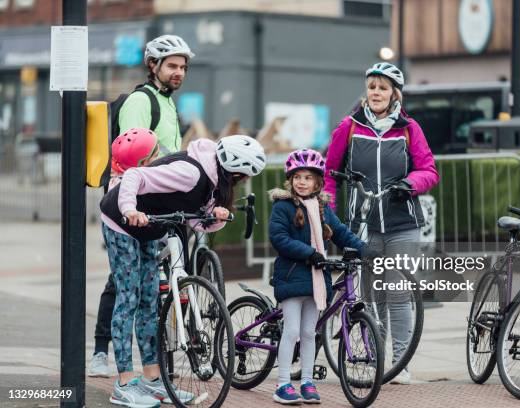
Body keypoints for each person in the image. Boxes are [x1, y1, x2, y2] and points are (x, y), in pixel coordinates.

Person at [99, 135, 265, 407]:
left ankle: (152, 379)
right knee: (129, 299)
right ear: (235, 171)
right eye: (243, 177)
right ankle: (124, 383)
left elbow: (197, 220)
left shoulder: (212, 179)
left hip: (150, 227)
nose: (241, 182)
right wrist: (129, 209)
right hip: (121, 222)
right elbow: (134, 177)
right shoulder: (190, 173)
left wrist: (217, 218)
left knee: (149, 302)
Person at [324, 62, 439, 384]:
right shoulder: (348, 127)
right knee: (373, 298)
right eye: (372, 87)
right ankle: (375, 361)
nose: (376, 93)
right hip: (363, 226)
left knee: (398, 295)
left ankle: (400, 364)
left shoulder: (408, 128)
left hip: (404, 224)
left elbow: (429, 170)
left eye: (383, 88)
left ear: (394, 94)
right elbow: (330, 175)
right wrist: (330, 215)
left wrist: (410, 184)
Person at [88, 34, 193, 378]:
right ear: (153, 66)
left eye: (183, 67)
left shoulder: (168, 102)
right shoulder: (141, 100)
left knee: (144, 292)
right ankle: (104, 355)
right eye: (172, 66)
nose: (179, 72)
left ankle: (150, 372)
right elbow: (134, 155)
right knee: (123, 286)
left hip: (157, 206)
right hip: (131, 205)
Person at [268, 148, 364, 404]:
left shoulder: (322, 208)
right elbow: (279, 238)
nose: (302, 182)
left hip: (316, 280)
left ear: (318, 182)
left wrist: (367, 251)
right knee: (291, 331)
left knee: (310, 333)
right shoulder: (283, 207)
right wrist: (309, 253)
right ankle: (283, 383)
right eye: (297, 177)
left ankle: (308, 381)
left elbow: (342, 233)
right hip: (291, 277)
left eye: (308, 178)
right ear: (290, 180)